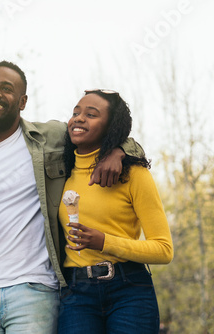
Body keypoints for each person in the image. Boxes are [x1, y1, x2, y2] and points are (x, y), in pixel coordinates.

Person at [0, 61, 144, 333]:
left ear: (22, 101)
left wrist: (117, 152)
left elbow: (110, 132)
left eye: (6, 88)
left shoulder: (51, 137)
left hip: (35, 291)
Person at [58, 89, 173, 334]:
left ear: (111, 127)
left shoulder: (133, 174)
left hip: (129, 290)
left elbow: (163, 250)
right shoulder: (58, 172)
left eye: (91, 114)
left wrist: (104, 242)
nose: (78, 118)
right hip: (75, 294)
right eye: (75, 112)